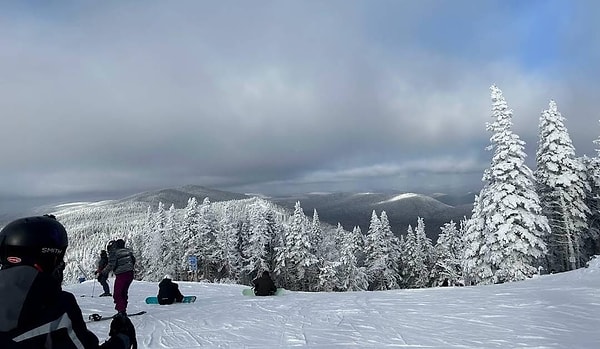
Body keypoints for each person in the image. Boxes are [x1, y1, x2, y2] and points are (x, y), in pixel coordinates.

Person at [0, 215, 136, 348]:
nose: (62, 265)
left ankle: (120, 309)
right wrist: (122, 339)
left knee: (119, 292)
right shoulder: (57, 307)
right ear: (48, 260)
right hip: (126, 274)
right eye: (58, 259)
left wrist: (103, 273)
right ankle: (121, 311)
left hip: (121, 274)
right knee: (120, 292)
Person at [100, 239, 135, 317]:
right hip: (130, 273)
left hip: (121, 274)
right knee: (124, 292)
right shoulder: (128, 251)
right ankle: (123, 309)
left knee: (117, 293)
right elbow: (133, 260)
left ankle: (121, 311)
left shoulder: (114, 253)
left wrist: (102, 273)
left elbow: (111, 265)